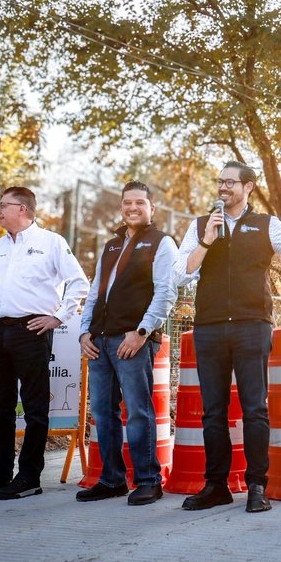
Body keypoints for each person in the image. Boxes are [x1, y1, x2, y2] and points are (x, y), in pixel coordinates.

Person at [172, 160, 281, 514]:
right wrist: (206, 241)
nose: (223, 188)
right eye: (220, 182)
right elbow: (180, 274)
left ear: (248, 187)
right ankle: (216, 485)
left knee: (254, 409)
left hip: (253, 326)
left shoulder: (266, 225)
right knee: (213, 412)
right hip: (209, 327)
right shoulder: (202, 225)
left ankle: (256, 486)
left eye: (230, 183)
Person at [0, 186, 89, 500]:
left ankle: (29, 477)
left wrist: (58, 317)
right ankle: (0, 475)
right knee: (0, 408)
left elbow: (79, 282)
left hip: (32, 331)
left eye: (3, 206)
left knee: (34, 408)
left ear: (22, 208)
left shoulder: (51, 242)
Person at [76, 181, 177, 506]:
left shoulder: (162, 243)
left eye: (139, 203)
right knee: (103, 414)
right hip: (100, 341)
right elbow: (95, 293)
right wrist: (83, 332)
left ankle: (149, 481)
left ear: (151, 208)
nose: (132, 208)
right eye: (127, 203)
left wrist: (142, 332)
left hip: (133, 340)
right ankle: (112, 480)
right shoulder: (111, 245)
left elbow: (166, 292)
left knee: (138, 411)